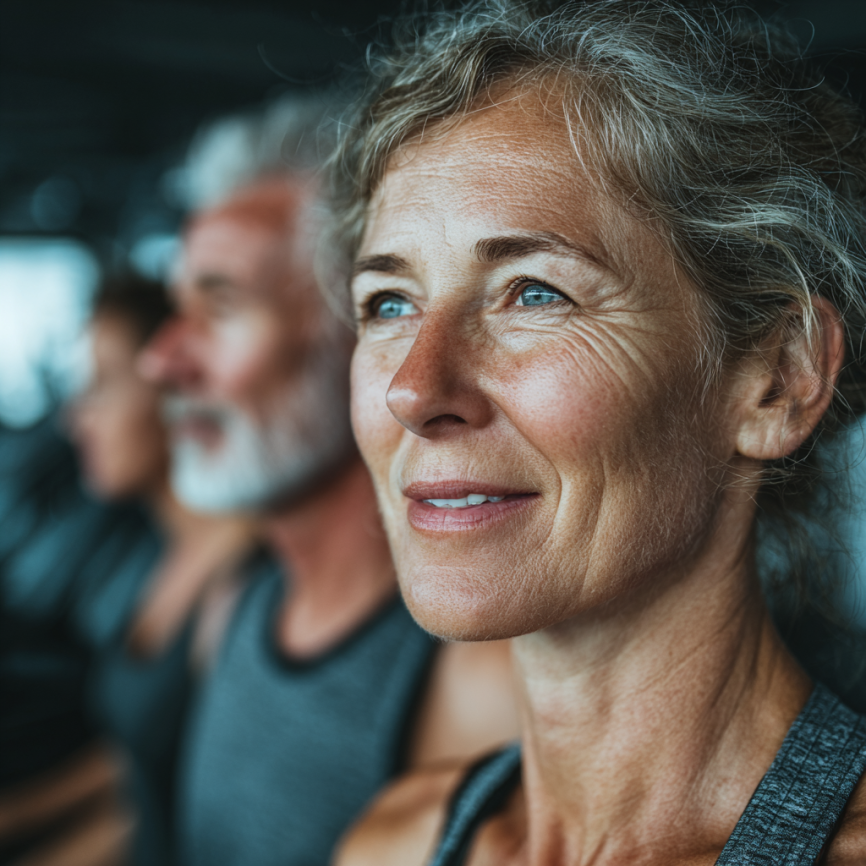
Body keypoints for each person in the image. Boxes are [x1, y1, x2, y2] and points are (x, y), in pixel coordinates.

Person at [328, 1, 866, 863]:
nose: (414, 389)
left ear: (778, 378)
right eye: (388, 303)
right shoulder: (397, 841)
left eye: (535, 292)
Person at [137, 99, 519, 866]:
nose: (162, 360)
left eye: (220, 305)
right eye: (175, 310)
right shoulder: (233, 608)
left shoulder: (473, 679)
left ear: (362, 339)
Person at [67, 272, 253, 866]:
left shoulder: (244, 576)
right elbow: (130, 784)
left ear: (169, 383)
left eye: (101, 386)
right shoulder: (144, 553)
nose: (77, 419)